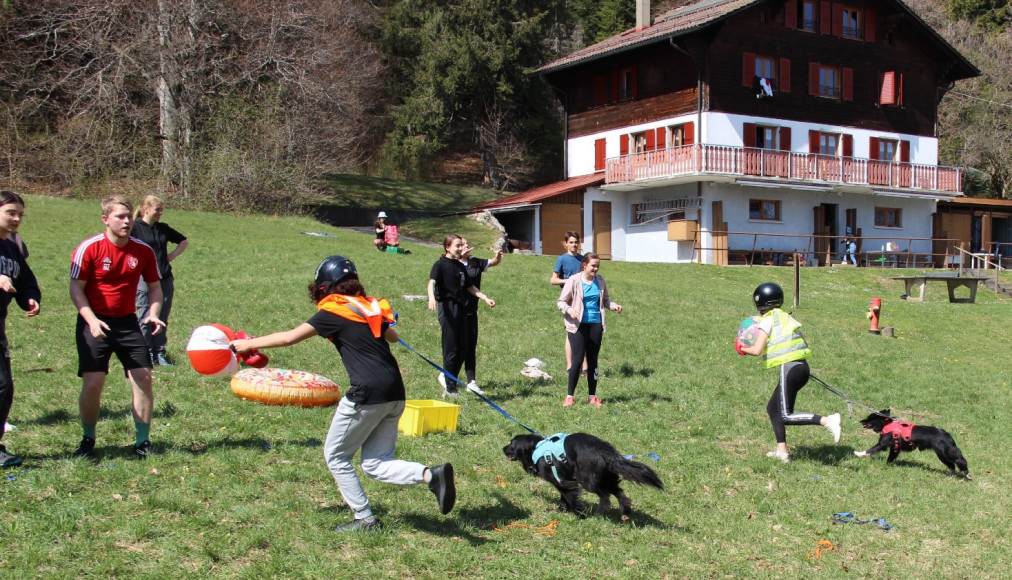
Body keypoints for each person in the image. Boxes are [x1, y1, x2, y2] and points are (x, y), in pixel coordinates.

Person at [230, 255, 456, 532]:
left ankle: (365, 519)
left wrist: (247, 344)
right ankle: (429, 475)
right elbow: (393, 337)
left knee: (336, 457)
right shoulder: (368, 307)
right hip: (395, 392)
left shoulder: (333, 311)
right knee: (375, 463)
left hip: (367, 393)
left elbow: (290, 337)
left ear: (324, 287)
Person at [70, 195, 164, 460]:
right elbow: (76, 289)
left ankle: (142, 442)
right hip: (94, 321)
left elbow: (156, 289)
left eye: (129, 217)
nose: (126, 221)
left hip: (127, 323)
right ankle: (88, 438)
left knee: (144, 378)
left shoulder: (142, 251)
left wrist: (153, 314)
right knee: (93, 383)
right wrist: (91, 320)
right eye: (120, 217)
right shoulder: (89, 248)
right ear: (105, 219)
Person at [737, 282, 841, 462]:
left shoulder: (767, 320)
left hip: (790, 368)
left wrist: (741, 347)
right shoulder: (786, 318)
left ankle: (827, 421)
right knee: (773, 408)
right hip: (801, 367)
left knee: (785, 415)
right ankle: (782, 452)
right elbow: (802, 343)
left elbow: (757, 350)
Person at [0, 191, 41, 468]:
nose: (16, 219)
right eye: (10, 213)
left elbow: (23, 276)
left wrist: (30, 296)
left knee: (4, 387)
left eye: (20, 215)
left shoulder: (12, 248)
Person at [427, 234, 495, 396]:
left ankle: (452, 383)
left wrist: (485, 298)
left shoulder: (460, 266)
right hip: (448, 309)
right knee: (451, 348)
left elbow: (470, 287)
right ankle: (450, 388)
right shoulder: (440, 265)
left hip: (463, 309)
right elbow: (432, 282)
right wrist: (431, 297)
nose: (460, 249)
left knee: (464, 348)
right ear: (447, 247)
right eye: (457, 246)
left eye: (460, 246)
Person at [556, 253, 622, 408]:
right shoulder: (574, 280)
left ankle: (592, 396)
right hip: (577, 325)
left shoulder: (600, 280)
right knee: (578, 360)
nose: (596, 268)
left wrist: (613, 306)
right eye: (593, 265)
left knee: (593, 360)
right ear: (584, 265)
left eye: (598, 265)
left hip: (595, 324)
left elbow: (605, 300)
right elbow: (561, 302)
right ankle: (569, 397)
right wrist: (570, 310)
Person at [132, 195, 188, 366]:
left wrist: (170, 256)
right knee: (145, 316)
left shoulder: (162, 228)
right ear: (146, 209)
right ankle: (146, 353)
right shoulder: (134, 228)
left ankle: (159, 353)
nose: (160, 213)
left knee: (162, 316)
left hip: (164, 277)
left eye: (161, 209)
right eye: (157, 209)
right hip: (143, 278)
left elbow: (183, 241)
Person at [459, 238, 503, 394]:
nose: (466, 246)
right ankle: (447, 376)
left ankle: (471, 381)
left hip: (471, 310)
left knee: (470, 346)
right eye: (461, 244)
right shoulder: (451, 264)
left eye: (466, 243)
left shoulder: (475, 262)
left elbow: (492, 262)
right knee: (456, 347)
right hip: (455, 311)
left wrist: (497, 257)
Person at [550, 231, 586, 377]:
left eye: (576, 242)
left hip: (582, 298)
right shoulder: (562, 259)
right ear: (565, 244)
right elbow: (553, 280)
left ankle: (585, 367)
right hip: (569, 299)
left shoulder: (583, 259)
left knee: (584, 331)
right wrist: (569, 281)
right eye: (571, 242)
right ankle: (570, 366)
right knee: (571, 332)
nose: (574, 245)